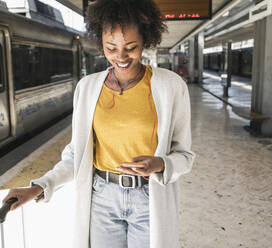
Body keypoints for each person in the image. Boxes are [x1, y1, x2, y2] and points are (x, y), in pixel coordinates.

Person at [2, 0, 195, 247]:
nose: (121, 56)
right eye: (111, 48)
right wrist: (39, 187)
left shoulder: (170, 86)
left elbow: (185, 156)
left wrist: (161, 163)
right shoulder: (88, 87)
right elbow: (76, 155)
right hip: (102, 198)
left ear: (145, 40)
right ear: (100, 43)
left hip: (149, 197)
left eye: (131, 47)